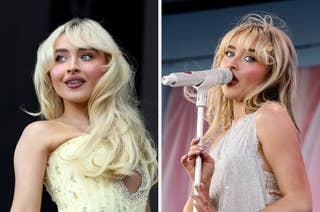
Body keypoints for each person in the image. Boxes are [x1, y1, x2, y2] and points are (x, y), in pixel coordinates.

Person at [10, 18, 157, 212]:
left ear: (108, 65)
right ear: (49, 72)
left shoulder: (131, 139)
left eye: (86, 56)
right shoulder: (39, 135)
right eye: (60, 58)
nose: (72, 67)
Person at [180, 13, 312, 211]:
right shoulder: (221, 137)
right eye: (229, 53)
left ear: (271, 72)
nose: (231, 64)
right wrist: (201, 185)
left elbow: (300, 203)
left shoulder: (269, 116)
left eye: (249, 58)